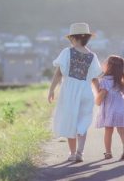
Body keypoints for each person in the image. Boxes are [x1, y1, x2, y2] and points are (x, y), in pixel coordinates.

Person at [48, 22, 102, 162]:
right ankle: (80, 153)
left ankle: (72, 154)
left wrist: (51, 90)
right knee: (82, 122)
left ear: (73, 38)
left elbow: (58, 74)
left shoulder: (67, 52)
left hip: (70, 91)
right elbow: (95, 77)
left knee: (70, 121)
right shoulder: (93, 56)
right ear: (86, 38)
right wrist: (99, 93)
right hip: (85, 91)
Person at [95, 55, 124, 160]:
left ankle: (108, 152)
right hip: (120, 110)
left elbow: (101, 94)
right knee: (122, 131)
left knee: (108, 131)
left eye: (106, 62)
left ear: (109, 66)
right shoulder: (121, 81)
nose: (104, 63)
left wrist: (97, 99)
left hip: (109, 110)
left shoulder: (104, 80)